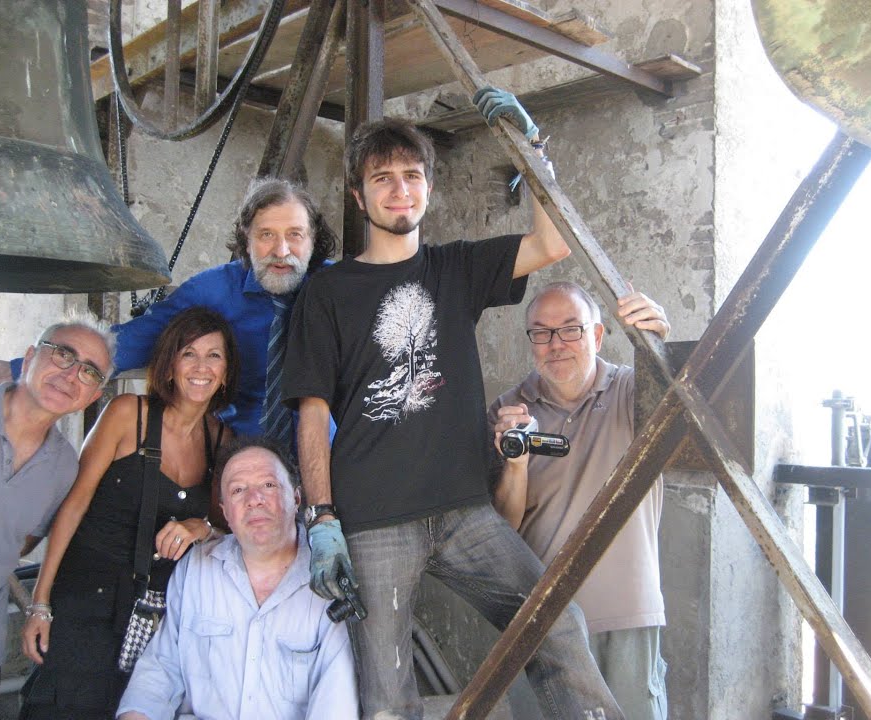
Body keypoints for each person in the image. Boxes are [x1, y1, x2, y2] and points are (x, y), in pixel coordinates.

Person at [282, 89, 624, 718]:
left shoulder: (456, 270)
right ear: (359, 197)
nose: (399, 190)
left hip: (467, 512)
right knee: (386, 694)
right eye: (381, 179)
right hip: (374, 520)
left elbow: (552, 242)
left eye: (412, 176)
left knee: (556, 623)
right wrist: (321, 518)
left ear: (428, 189)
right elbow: (310, 412)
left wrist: (533, 152)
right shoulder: (327, 293)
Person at [0, 176, 337, 449]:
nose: (281, 249)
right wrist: (19, 370)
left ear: (312, 238)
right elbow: (139, 337)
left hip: (331, 453)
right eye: (266, 235)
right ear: (246, 238)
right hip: (235, 449)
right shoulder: (215, 289)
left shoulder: (337, 287)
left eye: (295, 234)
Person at [17, 306, 239, 720]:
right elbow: (73, 504)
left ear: (226, 373)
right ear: (170, 364)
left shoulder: (222, 441)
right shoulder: (127, 413)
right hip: (85, 601)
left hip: (155, 618)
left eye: (214, 356)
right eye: (189, 353)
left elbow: (227, 528)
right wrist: (41, 601)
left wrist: (202, 525)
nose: (201, 367)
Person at [489, 281, 672, 720]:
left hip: (626, 613)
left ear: (597, 335)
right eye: (542, 332)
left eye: (571, 329)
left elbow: (694, 406)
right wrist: (515, 462)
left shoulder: (635, 392)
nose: (556, 345)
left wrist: (659, 346)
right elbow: (502, 527)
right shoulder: (508, 409)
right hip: (541, 621)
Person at [116, 437, 358, 720]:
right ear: (225, 512)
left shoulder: (329, 579)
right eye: (238, 489)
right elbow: (161, 668)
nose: (254, 499)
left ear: (295, 498)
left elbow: (335, 703)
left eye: (268, 485)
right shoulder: (197, 568)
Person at [0, 313, 116, 720]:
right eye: (63, 355)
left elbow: (22, 542)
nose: (71, 376)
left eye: (89, 372)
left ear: (93, 394)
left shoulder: (64, 467)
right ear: (29, 358)